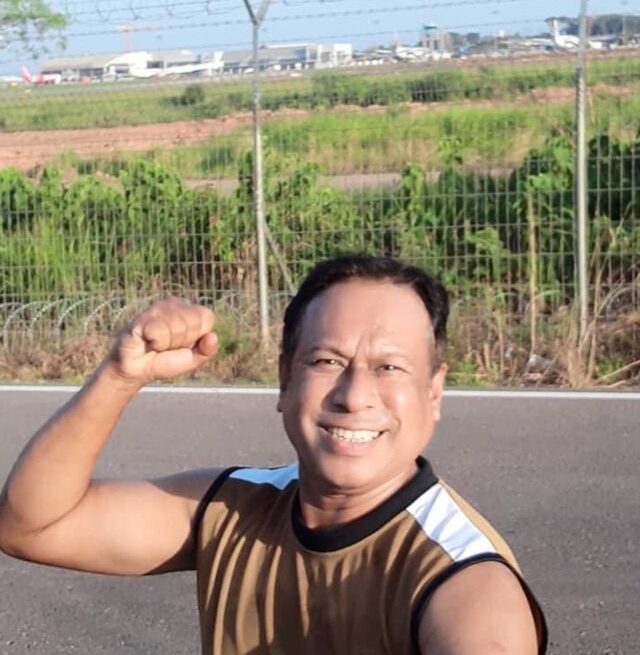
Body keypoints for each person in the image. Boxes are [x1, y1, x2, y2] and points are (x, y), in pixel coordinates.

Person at [0, 254, 547, 654]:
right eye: (327, 362)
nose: (355, 395)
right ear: (285, 378)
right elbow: (32, 525)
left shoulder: (461, 578)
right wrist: (119, 377)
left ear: (434, 392)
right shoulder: (233, 510)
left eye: (390, 367)